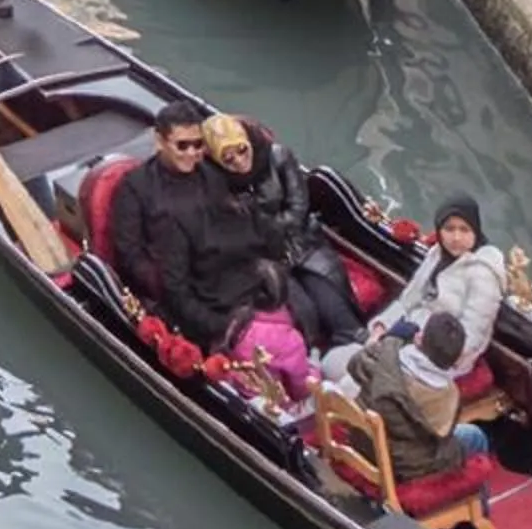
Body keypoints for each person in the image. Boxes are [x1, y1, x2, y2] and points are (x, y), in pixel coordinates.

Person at [108, 102, 283, 350]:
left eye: (198, 144)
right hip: (179, 289)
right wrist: (170, 286)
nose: (192, 153)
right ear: (160, 141)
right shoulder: (135, 188)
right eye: (182, 145)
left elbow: (229, 226)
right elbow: (129, 254)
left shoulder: (210, 175)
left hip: (224, 279)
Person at [348, 312, 509, 529]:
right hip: (403, 463)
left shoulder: (385, 354)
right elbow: (441, 435)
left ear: (420, 338)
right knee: (475, 438)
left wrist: (391, 339)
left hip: (362, 439)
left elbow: (354, 364)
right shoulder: (445, 393)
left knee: (466, 436)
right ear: (453, 362)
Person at [200, 112, 364, 350]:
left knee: (337, 311)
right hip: (265, 263)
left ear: (249, 142)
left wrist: (267, 227)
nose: (238, 161)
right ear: (217, 160)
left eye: (241, 150)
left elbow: (298, 208)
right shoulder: (215, 186)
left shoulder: (278, 156)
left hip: (303, 244)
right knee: (306, 315)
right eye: (227, 158)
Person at [370, 194, 510, 377]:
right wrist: (381, 327)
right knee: (364, 355)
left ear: (475, 231)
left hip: (446, 356)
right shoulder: (437, 253)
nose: (456, 237)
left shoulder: (484, 274)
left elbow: (472, 338)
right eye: (449, 229)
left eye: (464, 230)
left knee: (378, 372)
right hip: (413, 329)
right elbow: (409, 300)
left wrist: (424, 346)